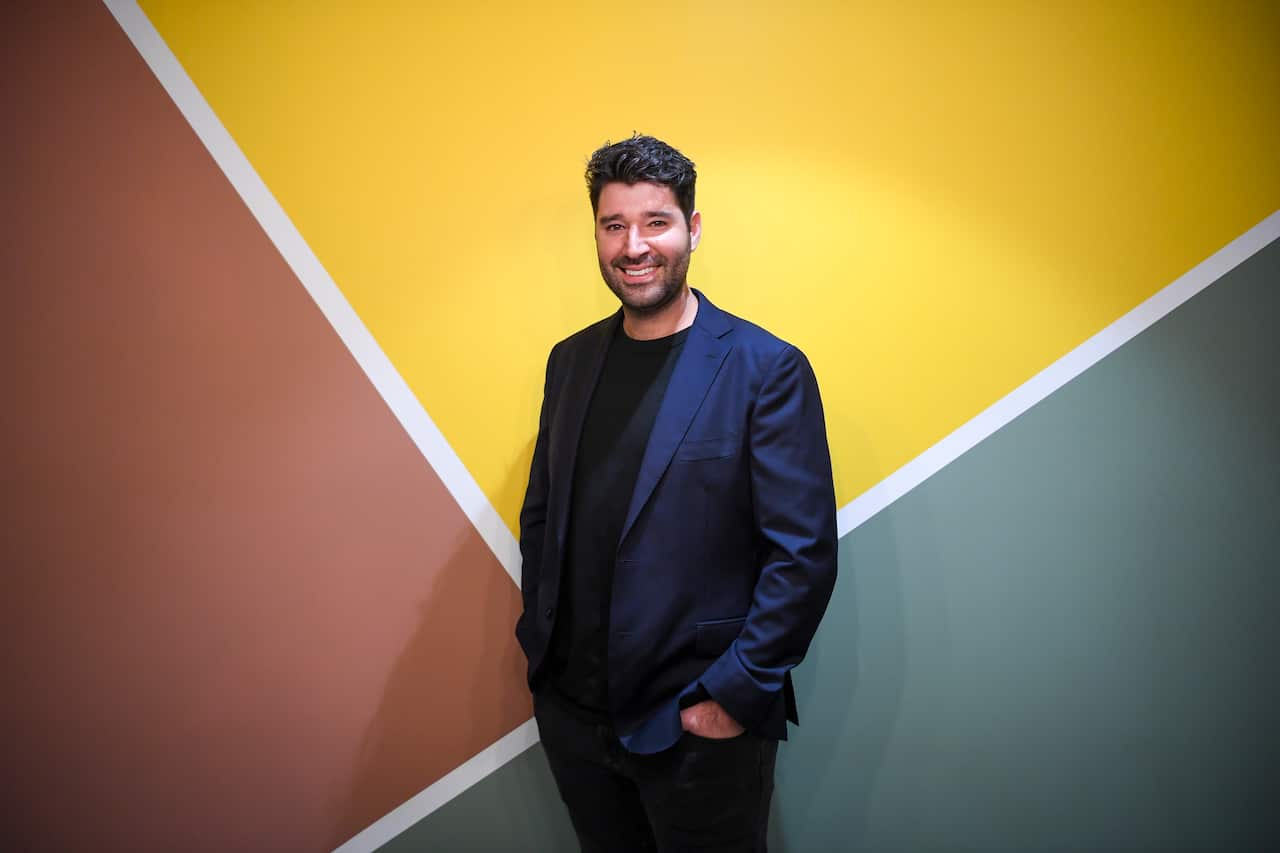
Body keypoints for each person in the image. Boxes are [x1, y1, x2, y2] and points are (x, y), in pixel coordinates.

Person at [515, 134, 837, 852]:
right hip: (575, 720)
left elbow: (803, 556)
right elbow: (544, 518)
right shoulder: (570, 361)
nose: (633, 245)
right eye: (613, 225)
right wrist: (540, 652)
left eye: (655, 221)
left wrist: (730, 695)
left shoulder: (766, 369)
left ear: (692, 228)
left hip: (697, 729)